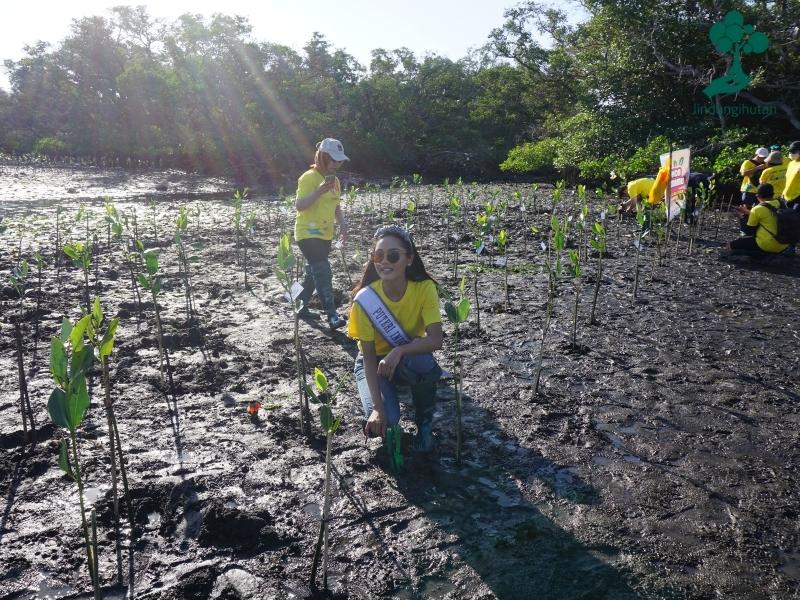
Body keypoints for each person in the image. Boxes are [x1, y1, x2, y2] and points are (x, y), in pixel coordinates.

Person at [348, 225, 443, 454]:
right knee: (387, 419)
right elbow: (369, 357)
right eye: (378, 255)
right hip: (374, 365)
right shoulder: (365, 300)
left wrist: (398, 351)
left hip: (406, 359)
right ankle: (384, 414)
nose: (384, 261)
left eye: (393, 255)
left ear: (409, 259)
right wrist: (378, 409)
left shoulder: (424, 288)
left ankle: (424, 423)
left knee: (421, 361)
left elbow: (436, 340)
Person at [294, 138, 349, 329]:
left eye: (339, 161)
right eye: (333, 160)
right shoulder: (308, 177)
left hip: (325, 234)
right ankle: (332, 315)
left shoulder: (336, 182)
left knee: (312, 273)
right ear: (322, 157)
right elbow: (299, 206)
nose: (337, 164)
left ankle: (296, 302)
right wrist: (318, 192)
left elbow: (336, 206)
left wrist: (343, 225)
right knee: (323, 270)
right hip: (306, 233)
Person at [726, 183, 789, 255]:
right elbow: (768, 216)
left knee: (730, 245)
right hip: (784, 244)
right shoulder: (781, 204)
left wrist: (741, 216)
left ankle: (758, 257)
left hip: (766, 244)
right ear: (773, 194)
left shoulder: (757, 209)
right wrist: (749, 213)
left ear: (758, 196)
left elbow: (749, 232)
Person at [782, 140, 800, 210]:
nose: (791, 153)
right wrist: (783, 193)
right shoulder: (791, 163)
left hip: (798, 197)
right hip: (787, 196)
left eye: (793, 152)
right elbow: (788, 179)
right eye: (790, 151)